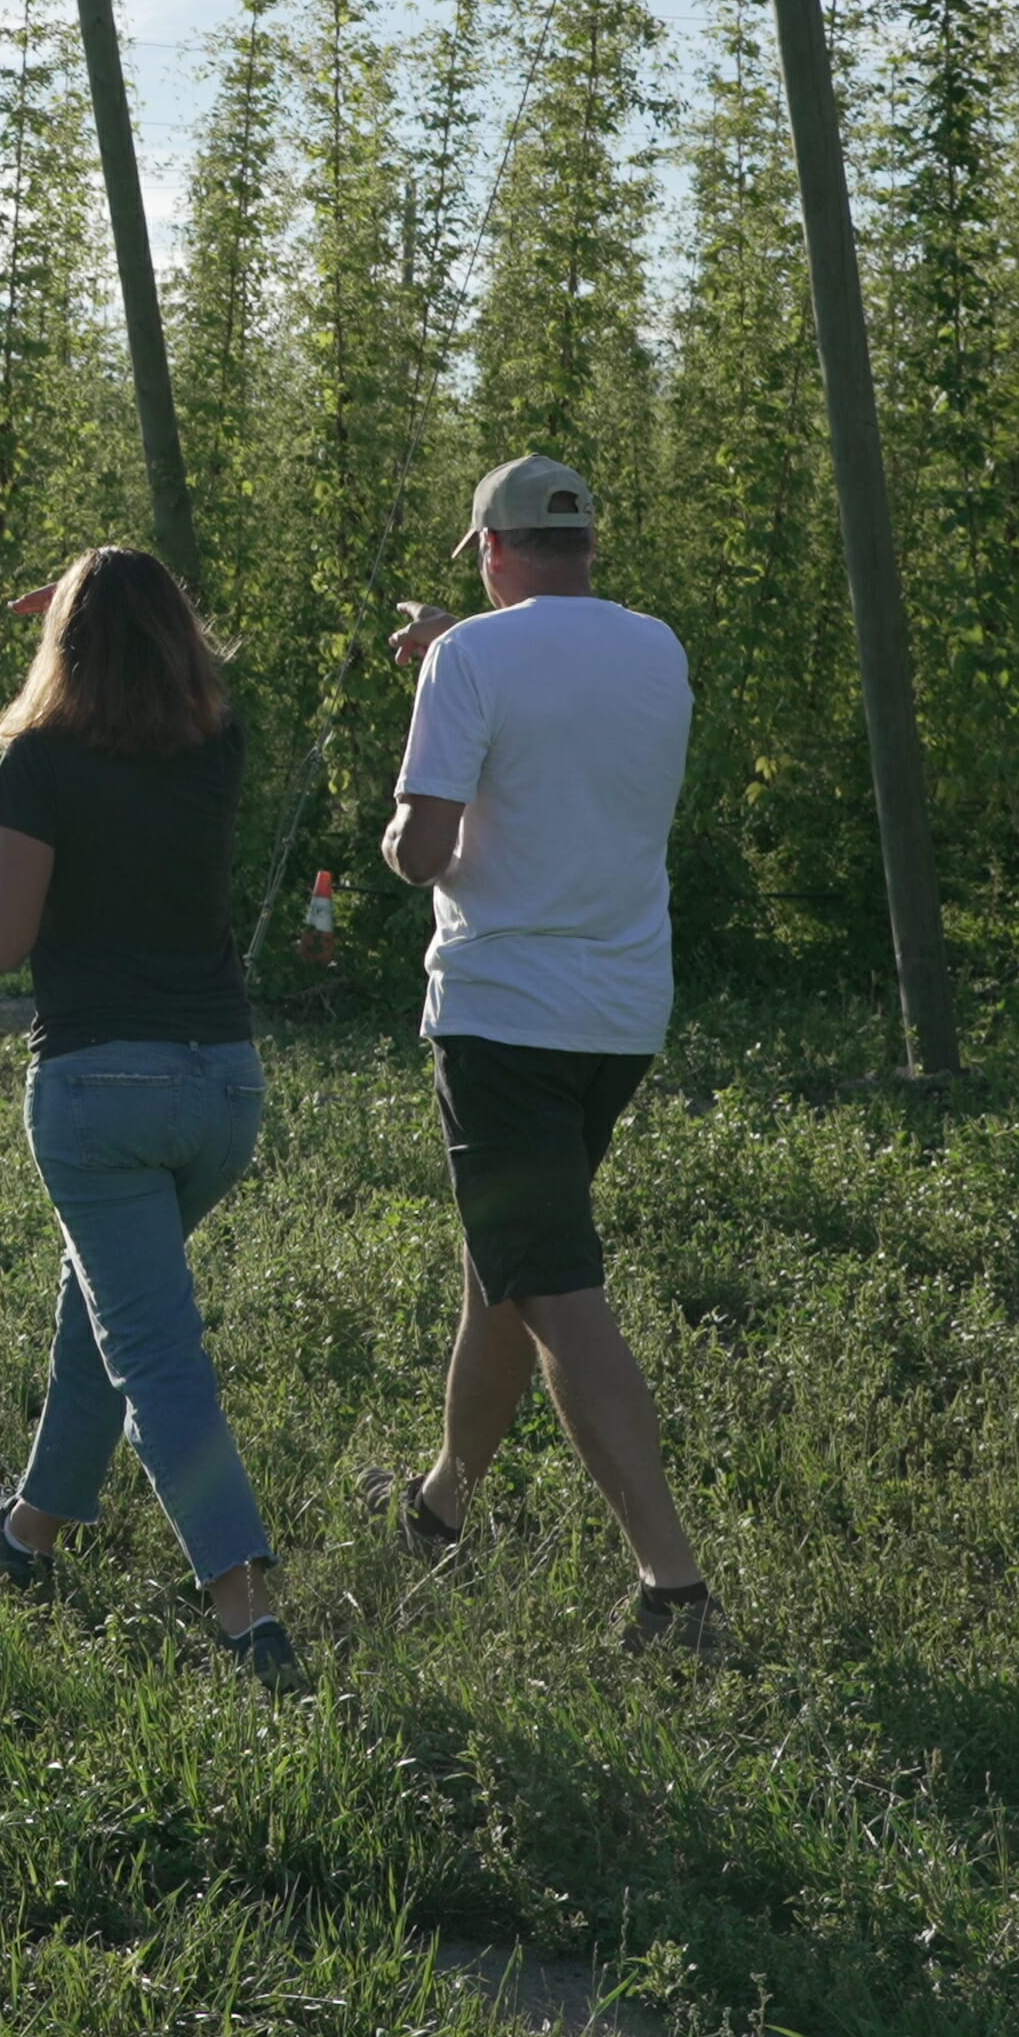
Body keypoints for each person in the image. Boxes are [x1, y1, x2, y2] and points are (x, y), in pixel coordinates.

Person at [0, 545, 298, 1689]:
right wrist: (100, 603)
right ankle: (28, 1529)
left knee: (154, 1352)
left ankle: (249, 1609)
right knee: (106, 1303)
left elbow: (1, 942)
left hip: (99, 1091)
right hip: (224, 1089)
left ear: (63, 646)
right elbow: (150, 664)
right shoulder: (216, 746)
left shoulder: (39, 762)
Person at [370, 454, 722, 1658]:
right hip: (619, 1016)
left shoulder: (471, 661)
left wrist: (393, 820)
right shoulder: (656, 647)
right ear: (583, 545)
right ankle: (440, 1501)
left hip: (503, 1013)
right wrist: (452, 648)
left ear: (487, 547)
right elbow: (553, 680)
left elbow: (421, 853)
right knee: (504, 1268)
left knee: (555, 1291)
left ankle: (673, 1591)